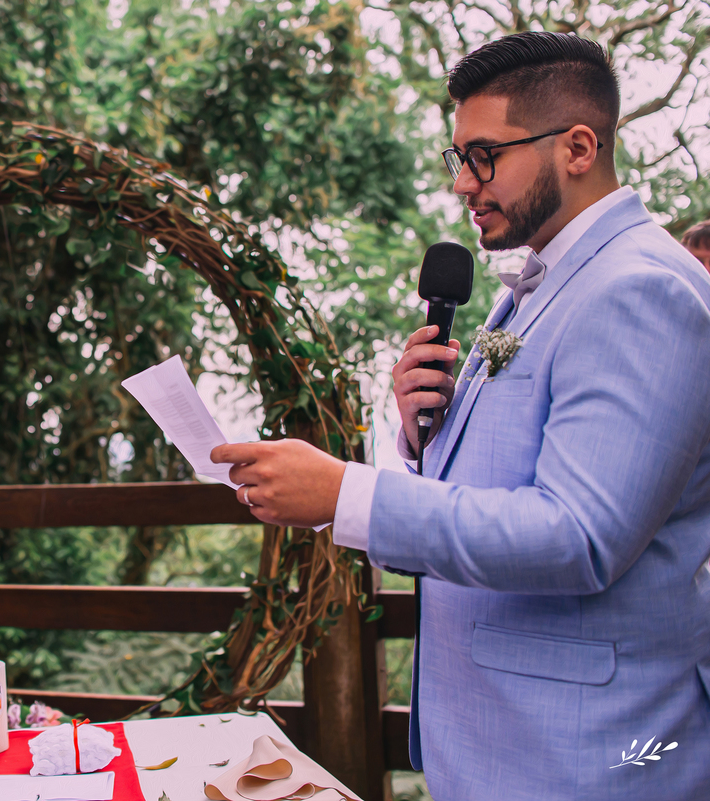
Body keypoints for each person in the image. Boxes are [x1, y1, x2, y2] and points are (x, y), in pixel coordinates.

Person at [212, 32, 710, 799]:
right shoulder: (532, 285)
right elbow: (508, 474)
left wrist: (349, 494)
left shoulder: (644, 289)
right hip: (495, 744)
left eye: (484, 156)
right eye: (459, 159)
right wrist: (422, 435)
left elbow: (577, 536)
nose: (464, 185)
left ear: (578, 147)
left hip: (585, 760)